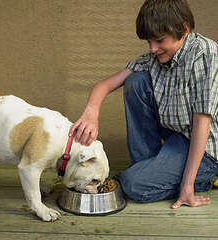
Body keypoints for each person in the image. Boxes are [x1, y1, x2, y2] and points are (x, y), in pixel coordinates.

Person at [69, 0, 218, 209]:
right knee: (136, 81)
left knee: (132, 186)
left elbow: (202, 123)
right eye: (149, 42)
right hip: (177, 138)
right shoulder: (154, 58)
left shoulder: (204, 54)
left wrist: (187, 185)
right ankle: (146, 167)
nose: (153, 48)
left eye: (158, 40)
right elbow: (105, 84)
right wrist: (91, 113)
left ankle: (204, 177)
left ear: (183, 30)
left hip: (203, 152)